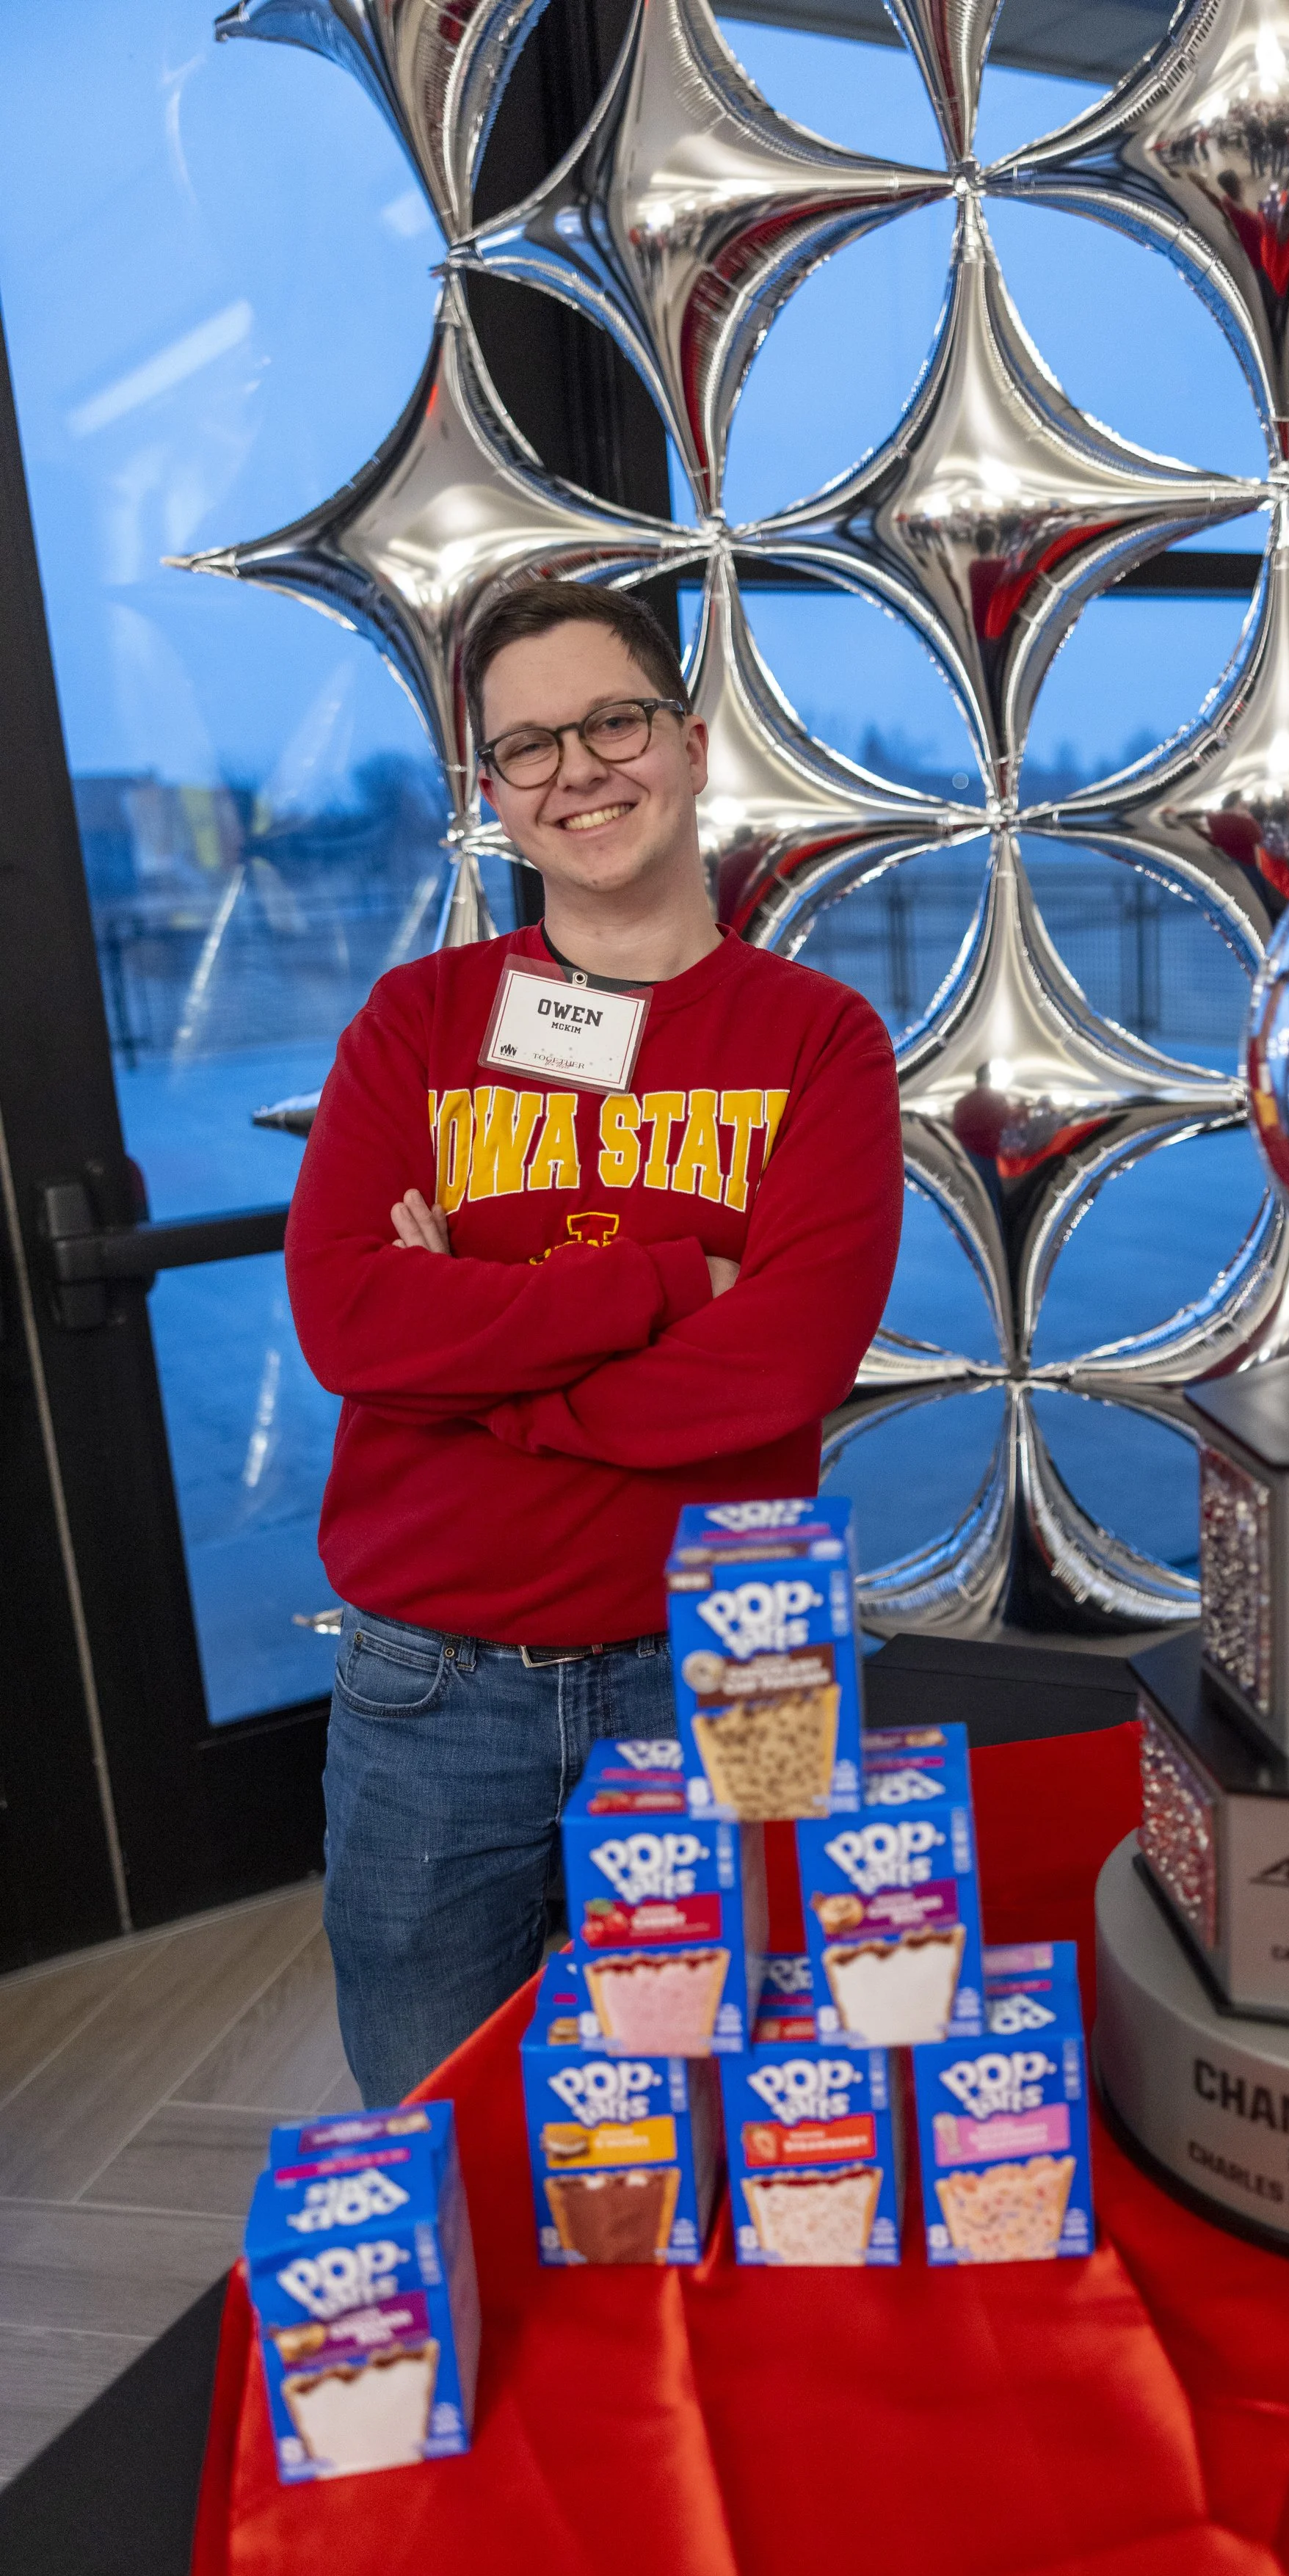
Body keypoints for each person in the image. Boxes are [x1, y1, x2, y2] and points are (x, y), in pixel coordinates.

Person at [286, 580, 904, 2103]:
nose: (578, 770)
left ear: (688, 745)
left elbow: (788, 1356)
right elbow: (348, 1317)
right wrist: (662, 1282)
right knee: (441, 2119)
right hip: (429, 1689)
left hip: (718, 1663)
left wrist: (483, 1387)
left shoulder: (818, 1039)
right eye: (526, 747)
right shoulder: (414, 1025)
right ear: (491, 796)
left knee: (718, 2117)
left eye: (612, 721)